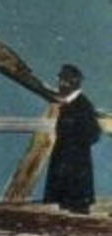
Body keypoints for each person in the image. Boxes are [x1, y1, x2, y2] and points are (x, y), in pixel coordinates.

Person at [44, 64, 101, 215]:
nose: (61, 85)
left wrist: (76, 147)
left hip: (76, 161)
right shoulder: (68, 104)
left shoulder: (83, 105)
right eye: (61, 81)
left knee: (78, 200)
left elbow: (94, 132)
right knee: (66, 201)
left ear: (75, 82)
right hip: (66, 157)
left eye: (65, 81)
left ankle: (80, 231)